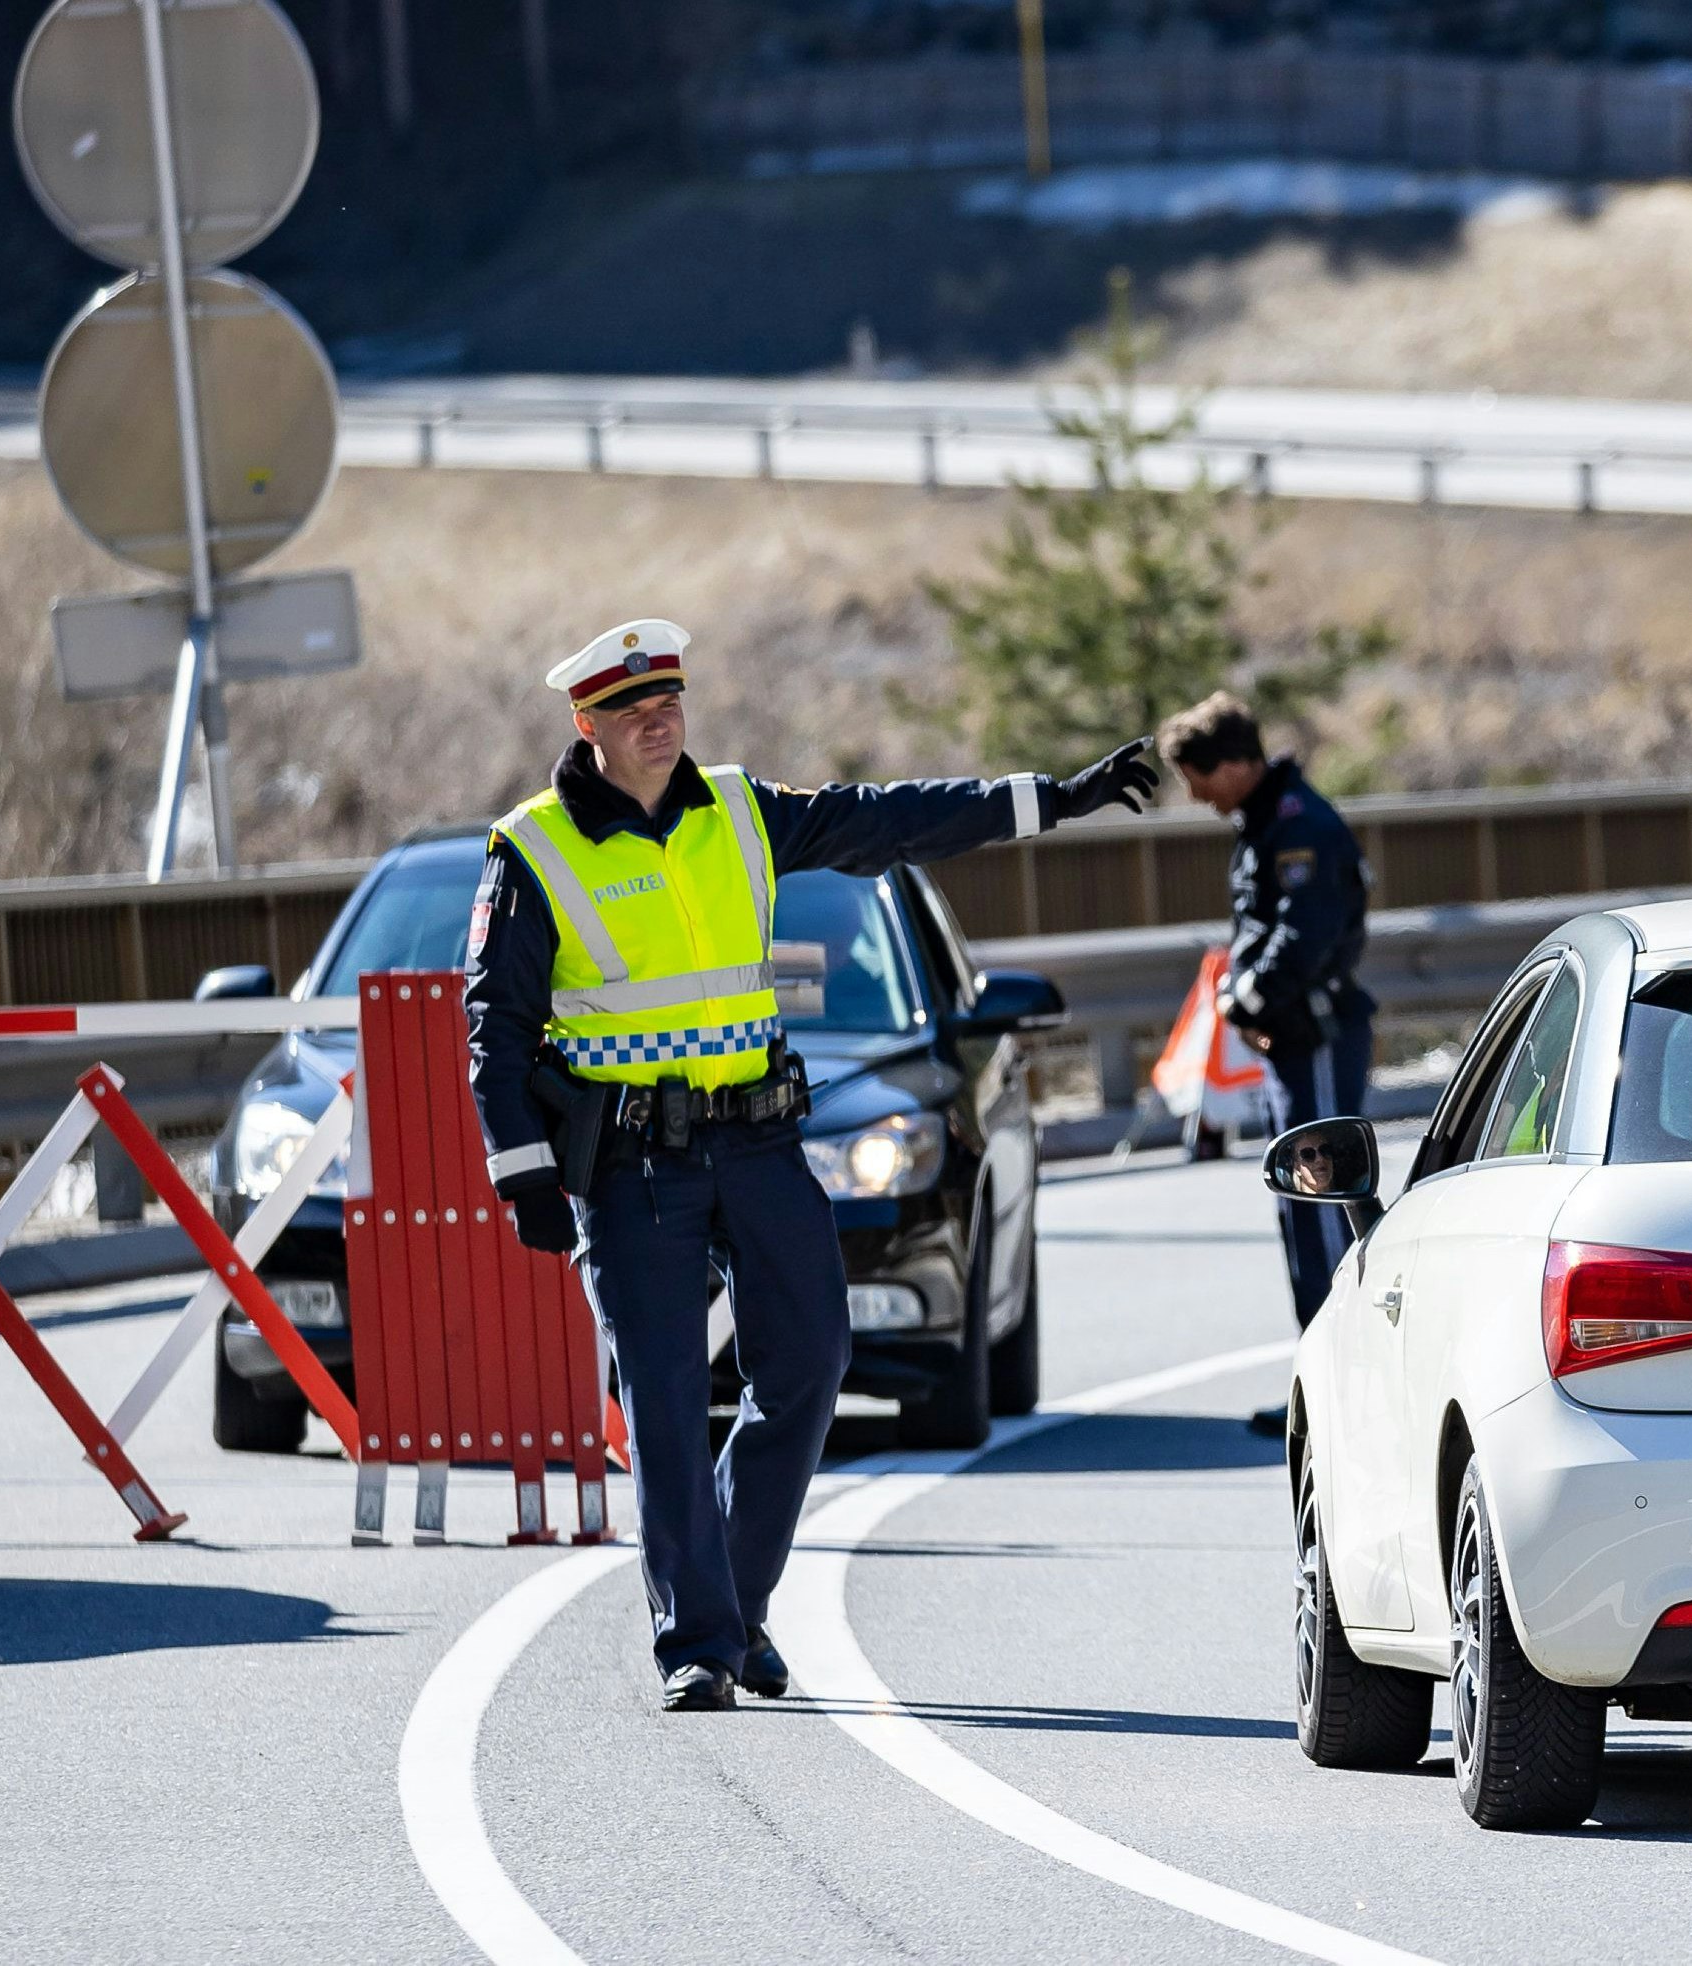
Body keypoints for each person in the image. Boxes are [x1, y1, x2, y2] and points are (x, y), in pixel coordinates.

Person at [467, 619, 1158, 1712]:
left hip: (757, 1140)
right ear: (586, 723)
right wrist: (523, 1174)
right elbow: (495, 1028)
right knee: (661, 1398)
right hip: (633, 1163)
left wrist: (1051, 797)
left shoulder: (738, 809)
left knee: (809, 1366)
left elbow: (893, 819)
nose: (661, 722)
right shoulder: (535, 847)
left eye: (672, 703)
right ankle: (696, 1643)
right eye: (636, 711)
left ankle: (737, 1607)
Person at [1157, 692, 1373, 1435]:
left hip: (1313, 1041)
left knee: (1321, 1215)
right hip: (1293, 1044)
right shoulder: (1264, 824)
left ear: (1238, 763)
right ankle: (1322, 1389)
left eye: (1198, 777)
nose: (1193, 795)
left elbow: (1303, 939)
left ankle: (1348, 1389)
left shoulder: (1297, 827)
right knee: (1299, 1212)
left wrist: (1244, 1002)